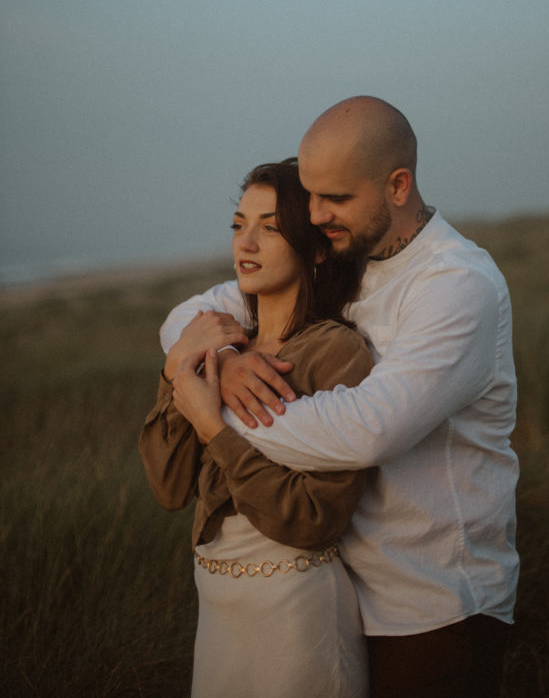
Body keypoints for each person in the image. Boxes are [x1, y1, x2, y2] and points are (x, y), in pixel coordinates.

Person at [160, 97, 519, 698]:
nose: (317, 214)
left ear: (398, 185)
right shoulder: (346, 259)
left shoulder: (456, 284)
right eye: (311, 194)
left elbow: (369, 429)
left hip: (432, 604)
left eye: (337, 199)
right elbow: (187, 316)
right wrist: (223, 357)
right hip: (337, 589)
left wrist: (213, 409)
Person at [140, 158, 373, 698]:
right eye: (239, 224)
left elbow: (316, 518)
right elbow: (169, 488)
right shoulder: (221, 345)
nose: (246, 243)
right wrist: (178, 363)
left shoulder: (335, 350)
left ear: (315, 247)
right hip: (217, 602)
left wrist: (213, 428)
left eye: (270, 227)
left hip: (295, 606)